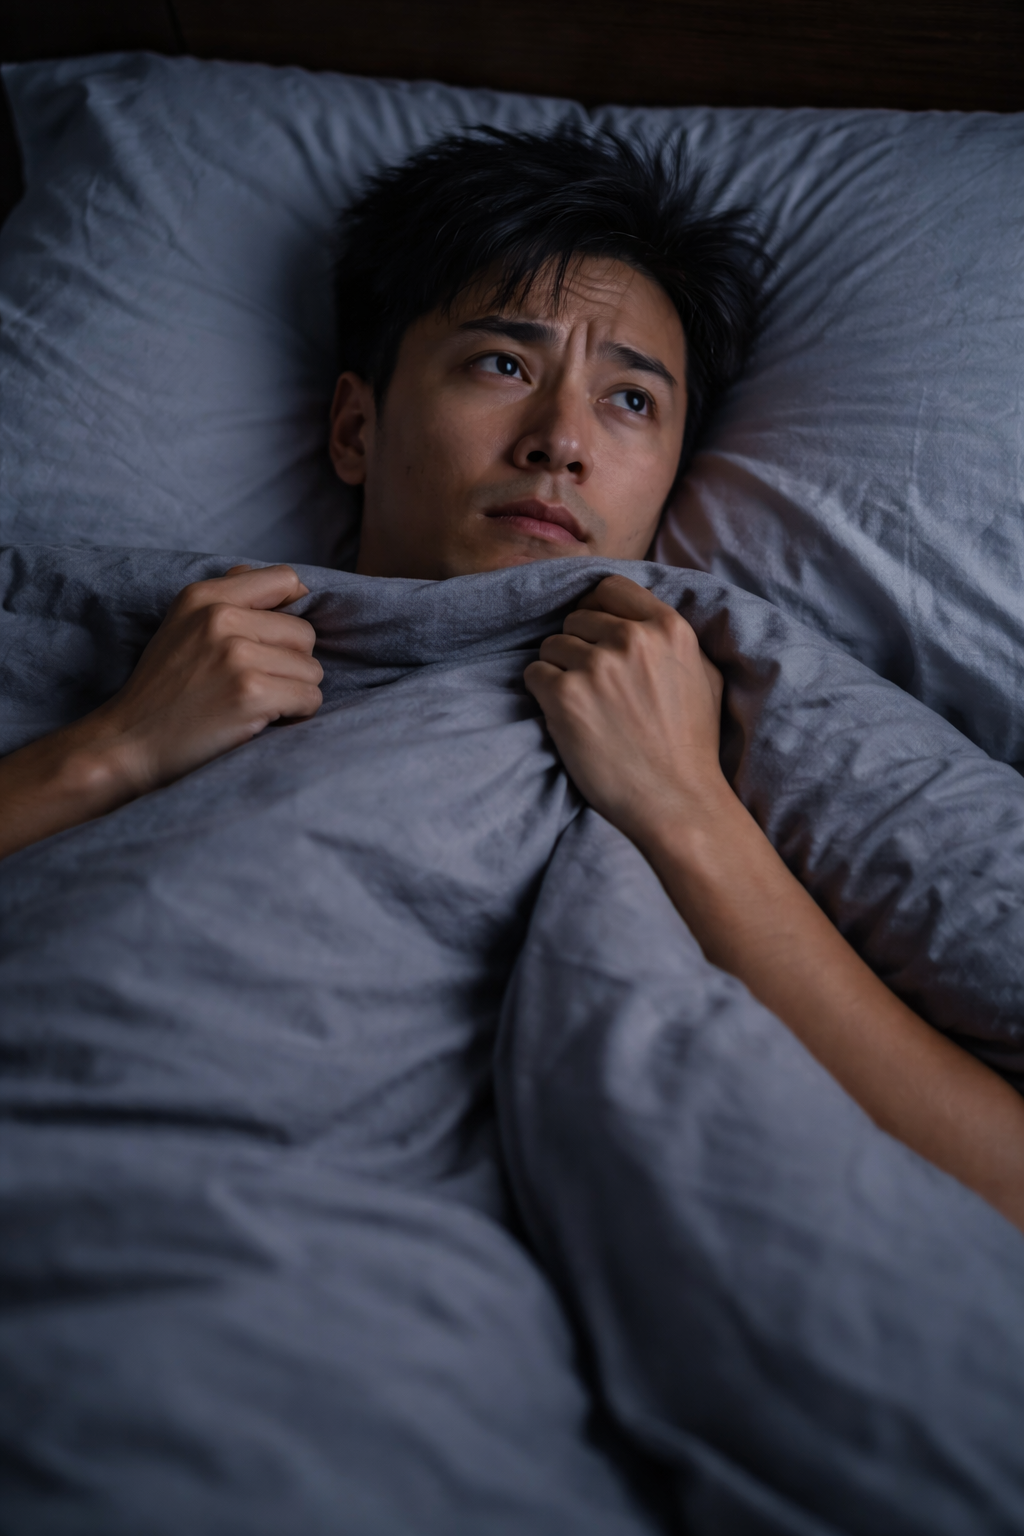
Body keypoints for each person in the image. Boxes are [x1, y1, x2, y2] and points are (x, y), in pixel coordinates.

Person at [2, 128, 1022, 1231]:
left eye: (630, 401)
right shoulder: (106, 626)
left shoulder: (752, 682)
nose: (559, 442)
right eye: (503, 364)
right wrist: (109, 754)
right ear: (355, 425)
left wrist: (685, 811)